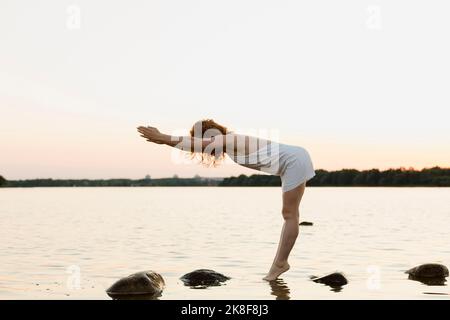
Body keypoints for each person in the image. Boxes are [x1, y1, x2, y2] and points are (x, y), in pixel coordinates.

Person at [137, 119, 315, 281]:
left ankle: (280, 264)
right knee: (290, 215)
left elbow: (196, 144)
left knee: (290, 215)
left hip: (293, 161)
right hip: (294, 160)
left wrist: (162, 138)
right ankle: (278, 265)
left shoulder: (228, 139)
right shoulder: (230, 142)